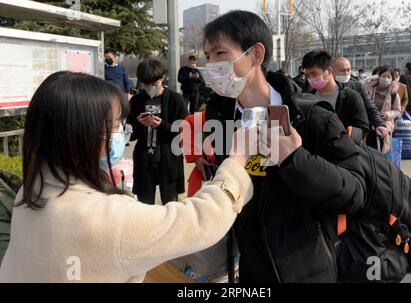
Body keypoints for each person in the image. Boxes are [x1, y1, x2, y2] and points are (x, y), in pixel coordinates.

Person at [0, 71, 253, 282]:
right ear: (83, 137)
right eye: (115, 125)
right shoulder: (110, 219)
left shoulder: (31, 191)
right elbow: (200, 221)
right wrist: (237, 160)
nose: (122, 132)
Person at [201, 10, 366, 283]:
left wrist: (295, 160)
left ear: (256, 54)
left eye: (220, 53)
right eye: (207, 56)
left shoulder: (311, 117)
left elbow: (355, 193)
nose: (211, 65)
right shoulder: (219, 116)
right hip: (250, 269)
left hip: (306, 269)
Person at [127, 59, 188, 205]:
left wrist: (161, 125)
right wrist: (138, 123)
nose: (150, 88)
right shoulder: (136, 100)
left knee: (171, 203)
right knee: (144, 203)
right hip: (144, 159)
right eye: (146, 84)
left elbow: (184, 131)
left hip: (168, 158)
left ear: (162, 78)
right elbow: (130, 134)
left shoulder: (176, 100)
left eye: (154, 84)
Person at [302, 51, 369, 140]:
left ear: (329, 70)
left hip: (343, 150)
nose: (310, 79)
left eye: (314, 74)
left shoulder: (351, 97)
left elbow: (362, 128)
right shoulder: (306, 98)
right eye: (308, 75)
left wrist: (345, 141)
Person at [332, 57, 389, 141]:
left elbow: (370, 107)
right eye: (342, 70)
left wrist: (379, 124)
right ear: (332, 71)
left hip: (351, 133)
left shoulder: (357, 87)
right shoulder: (324, 88)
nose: (346, 73)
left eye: (348, 70)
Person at [364, 66, 402, 151]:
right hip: (367, 124)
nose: (386, 79)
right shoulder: (368, 88)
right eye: (384, 76)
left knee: (378, 151)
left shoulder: (393, 93)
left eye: (389, 77)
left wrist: (388, 115)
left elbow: (398, 111)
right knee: (366, 150)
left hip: (383, 126)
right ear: (379, 76)